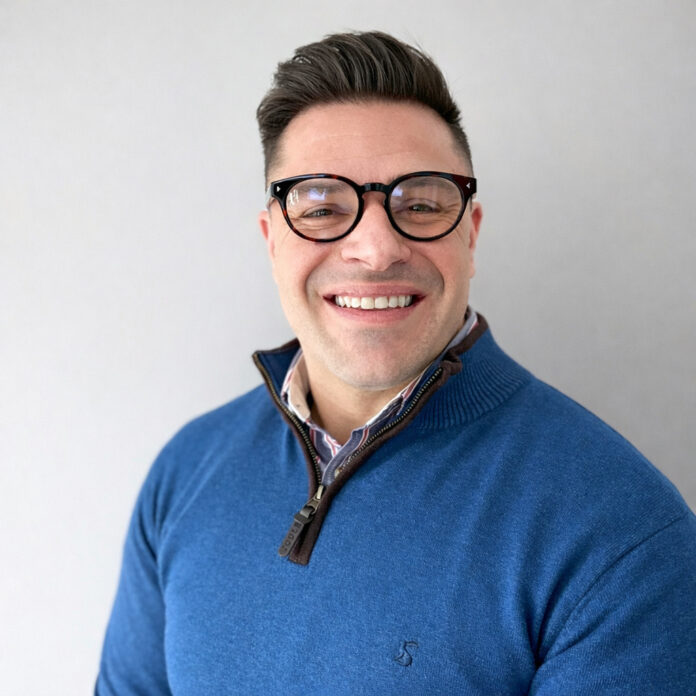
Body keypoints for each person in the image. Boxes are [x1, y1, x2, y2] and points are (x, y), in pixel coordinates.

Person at [96, 31, 696, 695]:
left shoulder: (622, 532)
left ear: (470, 234)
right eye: (323, 207)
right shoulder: (185, 472)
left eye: (421, 204)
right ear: (272, 241)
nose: (376, 248)